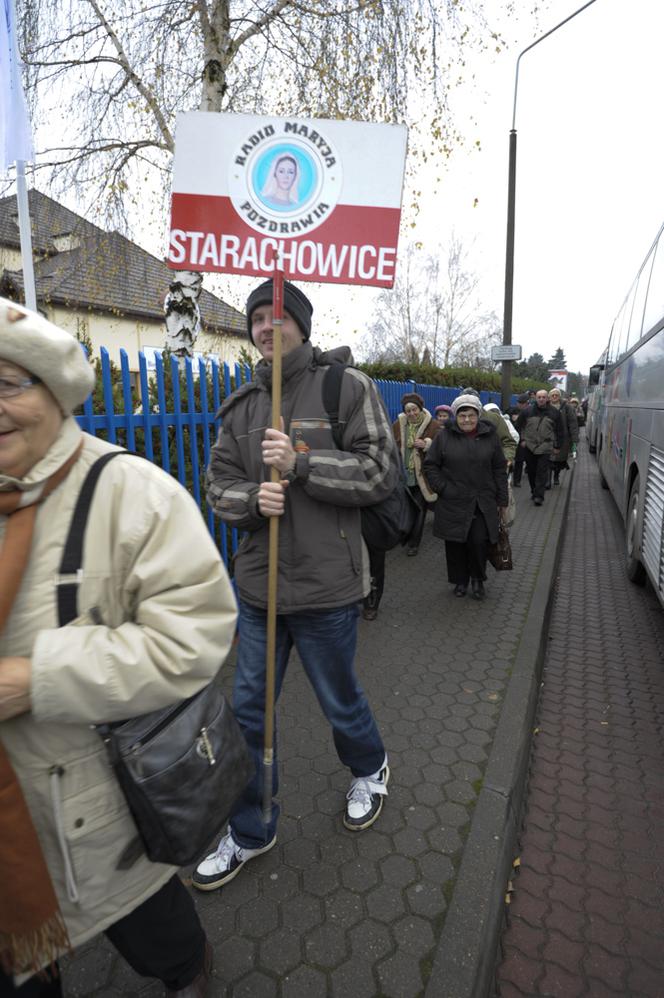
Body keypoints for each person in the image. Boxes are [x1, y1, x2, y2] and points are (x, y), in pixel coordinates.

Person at [0, 299, 238, 996]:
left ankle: (189, 973)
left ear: (54, 391)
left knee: (157, 934)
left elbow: (194, 637)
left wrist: (35, 677)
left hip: (102, 817)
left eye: (8, 386)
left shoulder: (130, 493)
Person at [194, 278, 396, 893]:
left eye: (276, 317)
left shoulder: (346, 388)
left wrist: (302, 463)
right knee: (249, 712)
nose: (264, 327)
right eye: (256, 319)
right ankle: (253, 828)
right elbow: (217, 485)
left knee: (339, 699)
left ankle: (370, 767)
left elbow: (381, 472)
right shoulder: (243, 407)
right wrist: (255, 498)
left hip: (328, 587)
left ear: (301, 326)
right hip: (259, 592)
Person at [423, 394, 508, 601]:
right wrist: (443, 488)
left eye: (471, 415)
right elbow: (431, 465)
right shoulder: (444, 436)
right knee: (455, 544)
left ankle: (478, 579)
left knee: (479, 542)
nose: (467, 420)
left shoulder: (490, 435)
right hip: (453, 500)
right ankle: (460, 581)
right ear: (456, 416)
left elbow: (498, 468)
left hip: (482, 501)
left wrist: (502, 499)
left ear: (478, 415)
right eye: (462, 416)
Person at [392, 393, 439, 556]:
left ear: (420, 408)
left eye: (414, 409)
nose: (411, 414)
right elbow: (391, 445)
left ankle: (414, 544)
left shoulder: (433, 425)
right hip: (404, 475)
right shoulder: (398, 425)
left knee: (419, 510)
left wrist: (427, 443)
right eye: (408, 411)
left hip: (423, 476)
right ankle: (404, 535)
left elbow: (441, 446)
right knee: (405, 509)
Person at [515, 388, 562, 505]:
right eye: (539, 397)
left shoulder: (555, 413)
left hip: (545, 446)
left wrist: (557, 446)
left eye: (543, 397)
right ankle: (534, 490)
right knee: (531, 471)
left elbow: (560, 430)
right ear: (535, 398)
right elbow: (518, 426)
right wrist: (522, 439)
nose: (541, 399)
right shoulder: (527, 411)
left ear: (547, 399)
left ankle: (539, 496)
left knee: (542, 472)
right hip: (529, 446)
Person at [459, 387, 516, 466]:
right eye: (463, 402)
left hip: (490, 469)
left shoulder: (495, 419)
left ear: (478, 401)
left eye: (472, 401)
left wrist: (505, 459)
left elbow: (508, 442)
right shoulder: (456, 421)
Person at [548, 387, 579, 485]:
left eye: (556, 395)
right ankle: (547, 481)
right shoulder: (546, 406)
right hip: (549, 437)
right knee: (548, 459)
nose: (554, 396)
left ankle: (556, 476)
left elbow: (573, 423)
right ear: (549, 397)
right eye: (552, 395)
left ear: (559, 396)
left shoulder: (567, 407)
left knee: (559, 460)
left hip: (563, 438)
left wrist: (574, 438)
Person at [509, 393, 530, 487]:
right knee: (509, 459)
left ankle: (517, 480)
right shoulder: (511, 410)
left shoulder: (530, 412)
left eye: (523, 403)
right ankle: (509, 476)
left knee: (520, 460)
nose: (520, 405)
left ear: (527, 403)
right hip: (511, 438)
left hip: (522, 438)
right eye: (519, 403)